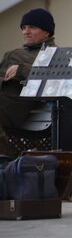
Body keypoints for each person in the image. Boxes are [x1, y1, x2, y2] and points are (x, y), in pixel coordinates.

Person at [0, 8, 56, 144]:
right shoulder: (12, 53)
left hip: (10, 109)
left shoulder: (54, 55)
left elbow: (55, 79)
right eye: (23, 28)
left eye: (32, 27)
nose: (26, 32)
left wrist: (22, 70)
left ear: (46, 32)